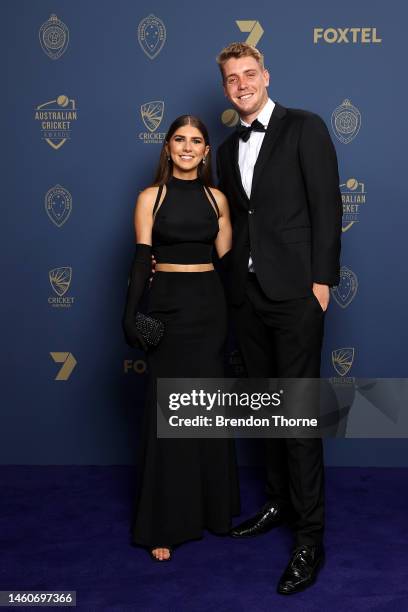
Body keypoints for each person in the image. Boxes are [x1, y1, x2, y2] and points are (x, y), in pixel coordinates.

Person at [215, 43, 342, 594]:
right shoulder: (223, 148)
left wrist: (322, 282)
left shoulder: (304, 127)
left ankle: (310, 537)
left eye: (250, 74)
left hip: (296, 295)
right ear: (225, 88)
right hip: (247, 296)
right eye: (232, 78)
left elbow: (327, 206)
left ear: (266, 75)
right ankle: (277, 504)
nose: (242, 84)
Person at [122, 115, 240, 561]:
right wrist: (130, 315)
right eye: (179, 140)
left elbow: (229, 269)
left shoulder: (218, 199)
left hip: (210, 310)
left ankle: (214, 512)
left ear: (206, 150)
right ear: (167, 147)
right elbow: (140, 260)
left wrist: (246, 324)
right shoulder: (150, 198)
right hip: (167, 309)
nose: (188, 147)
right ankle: (164, 522)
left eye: (196, 141)